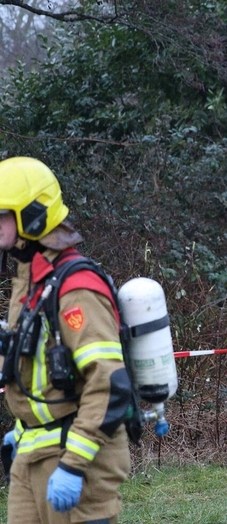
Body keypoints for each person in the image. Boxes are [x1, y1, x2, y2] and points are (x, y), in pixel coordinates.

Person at [0, 157, 131, 524]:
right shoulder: (29, 280)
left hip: (78, 463)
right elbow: (33, 370)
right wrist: (20, 427)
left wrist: (73, 466)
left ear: (32, 215)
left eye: (1, 215)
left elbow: (107, 382)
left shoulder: (76, 289)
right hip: (30, 456)